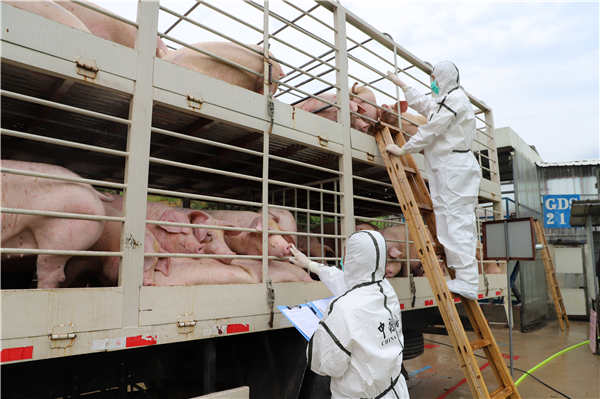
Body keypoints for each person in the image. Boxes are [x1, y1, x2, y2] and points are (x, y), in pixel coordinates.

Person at [385, 61, 481, 300]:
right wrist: (403, 84)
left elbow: (431, 129)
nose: (433, 84)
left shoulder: (455, 101)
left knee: (456, 222)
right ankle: (464, 277)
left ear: (443, 78)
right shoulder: (448, 99)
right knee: (450, 220)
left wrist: (403, 149)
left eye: (434, 79)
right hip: (447, 168)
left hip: (454, 168)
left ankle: (468, 280)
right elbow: (428, 105)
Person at [289, 230, 409, 398]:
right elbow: (347, 281)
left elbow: (325, 364)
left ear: (353, 261)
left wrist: (321, 332)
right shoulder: (385, 289)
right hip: (395, 391)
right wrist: (310, 264)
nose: (343, 261)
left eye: (347, 256)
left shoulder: (343, 309)